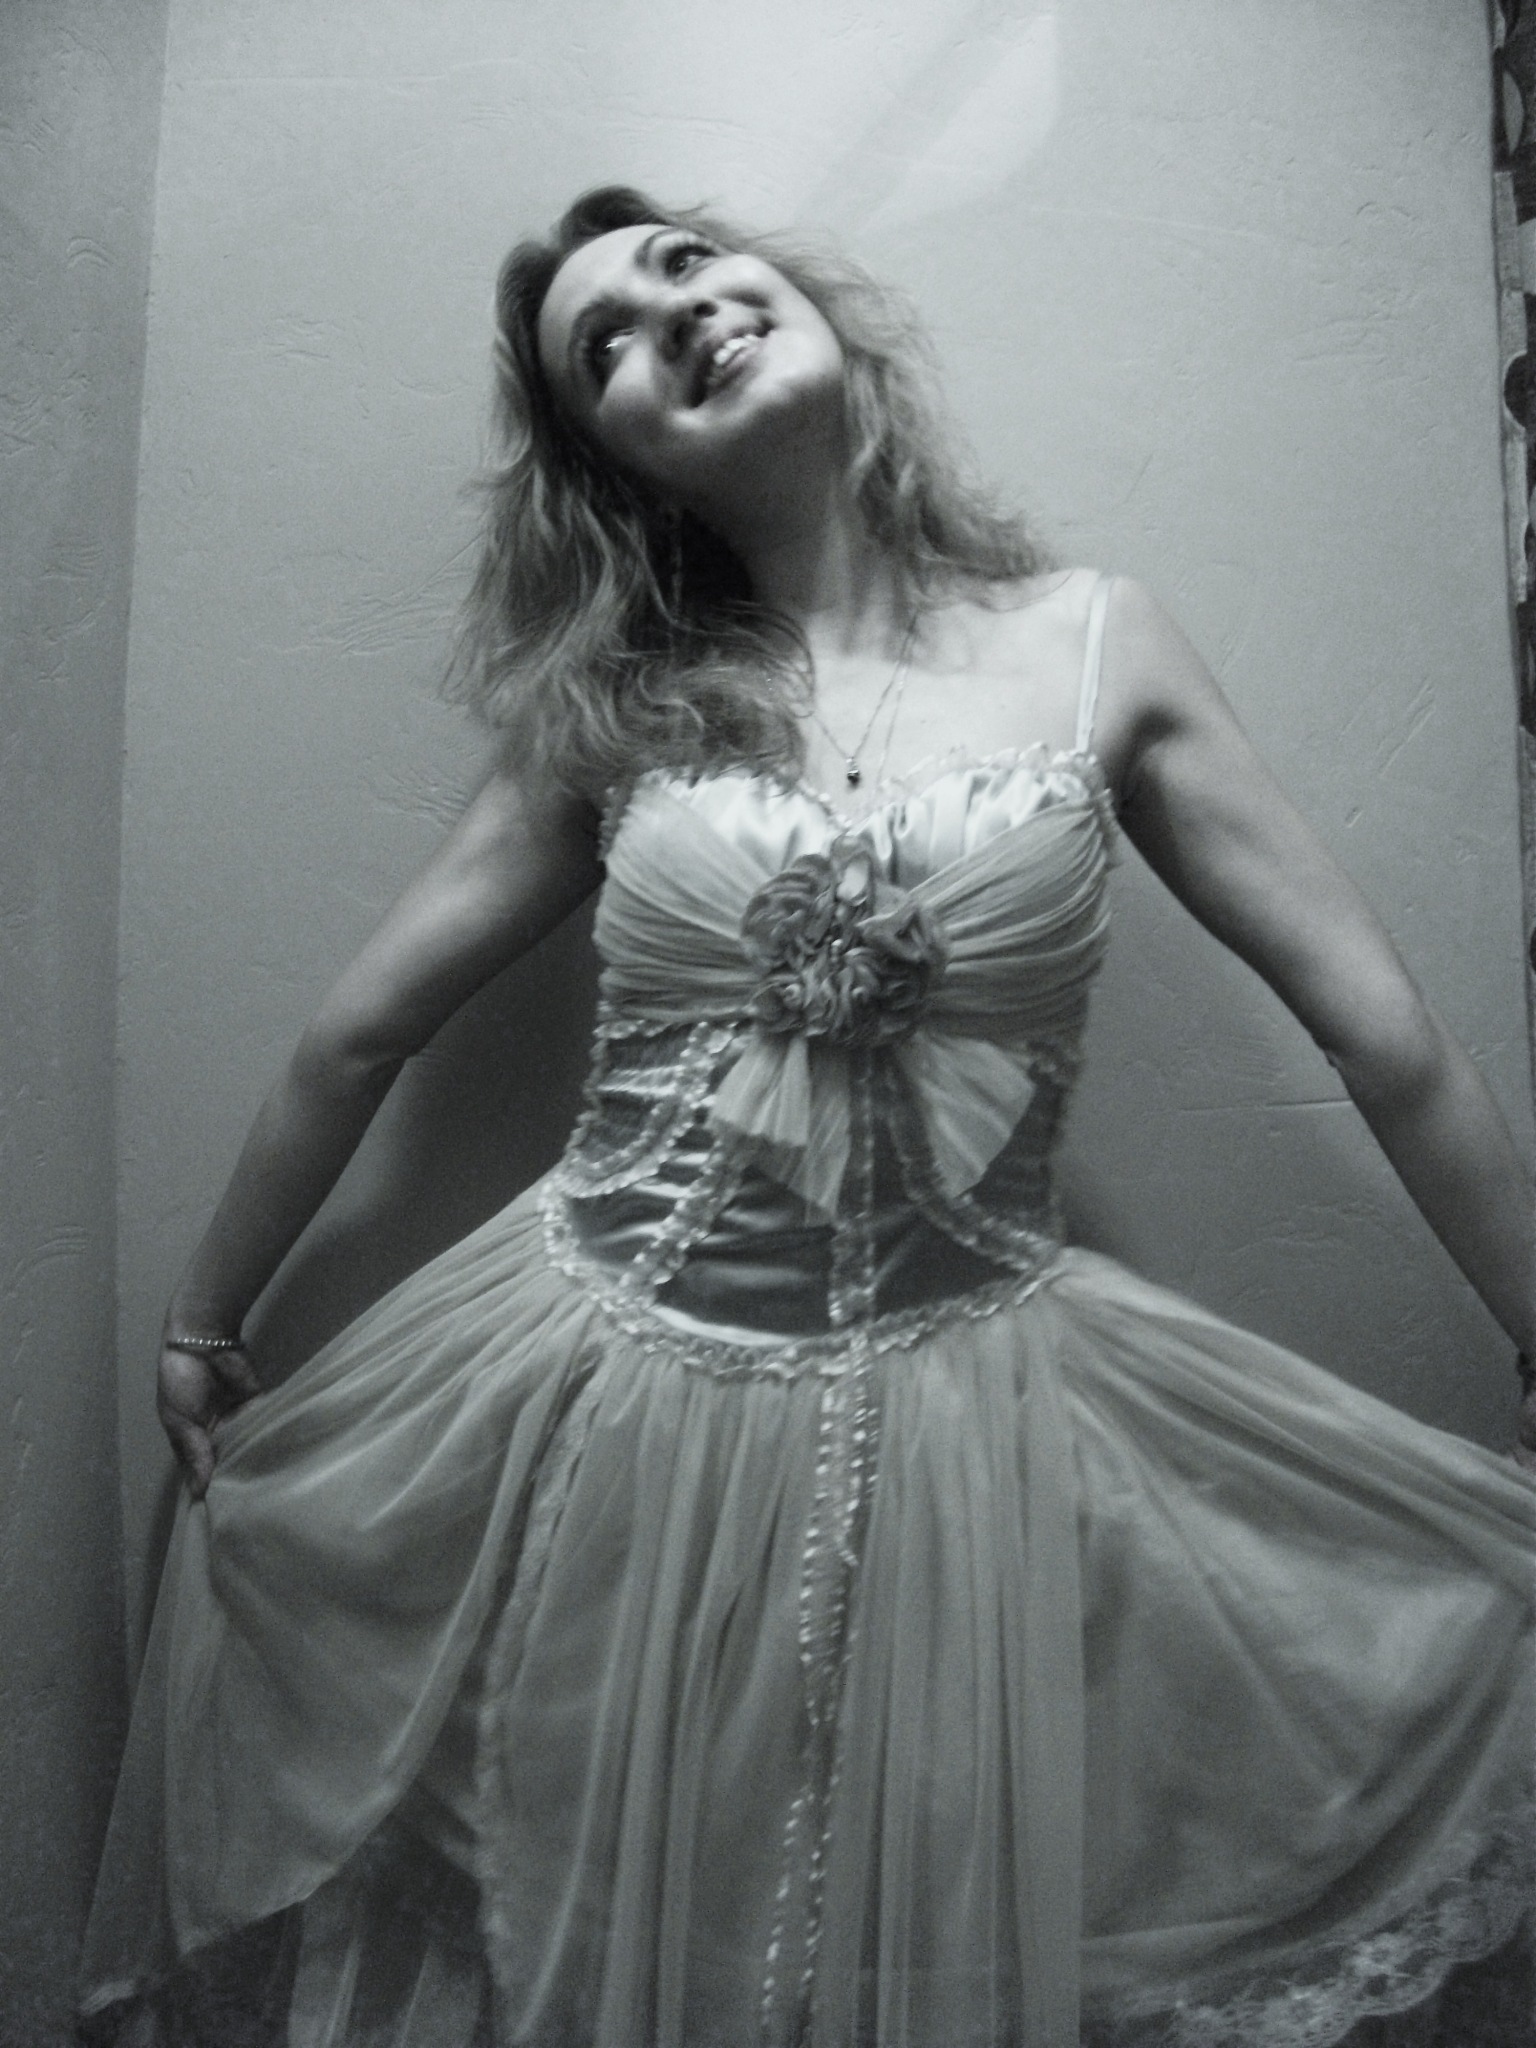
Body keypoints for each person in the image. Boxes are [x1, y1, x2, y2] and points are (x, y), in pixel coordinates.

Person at [81, 185, 1535, 2048]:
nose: (671, 313)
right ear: (617, 463)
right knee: (635, 1933)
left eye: (685, 262)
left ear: (798, 297)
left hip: (990, 1436)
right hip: (605, 1422)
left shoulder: (1101, 645)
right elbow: (359, 1037)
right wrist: (207, 1313)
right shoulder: (618, 706)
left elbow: (1389, 1041)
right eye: (605, 342)